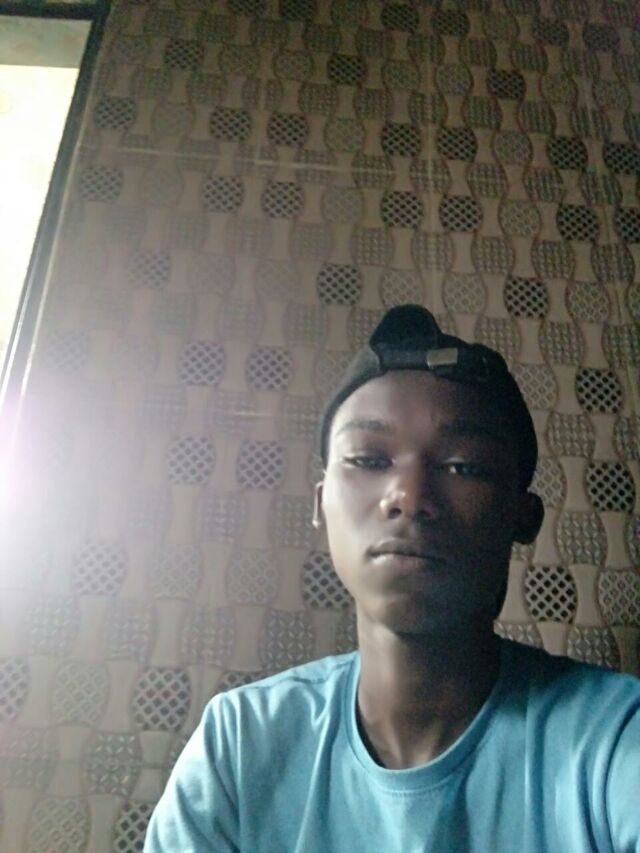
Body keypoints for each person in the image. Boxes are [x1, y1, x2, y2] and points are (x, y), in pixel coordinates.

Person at [144, 305, 640, 852]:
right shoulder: (238, 745)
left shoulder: (615, 736)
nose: (408, 496)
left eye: (463, 466)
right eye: (367, 459)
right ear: (320, 503)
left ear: (523, 516)